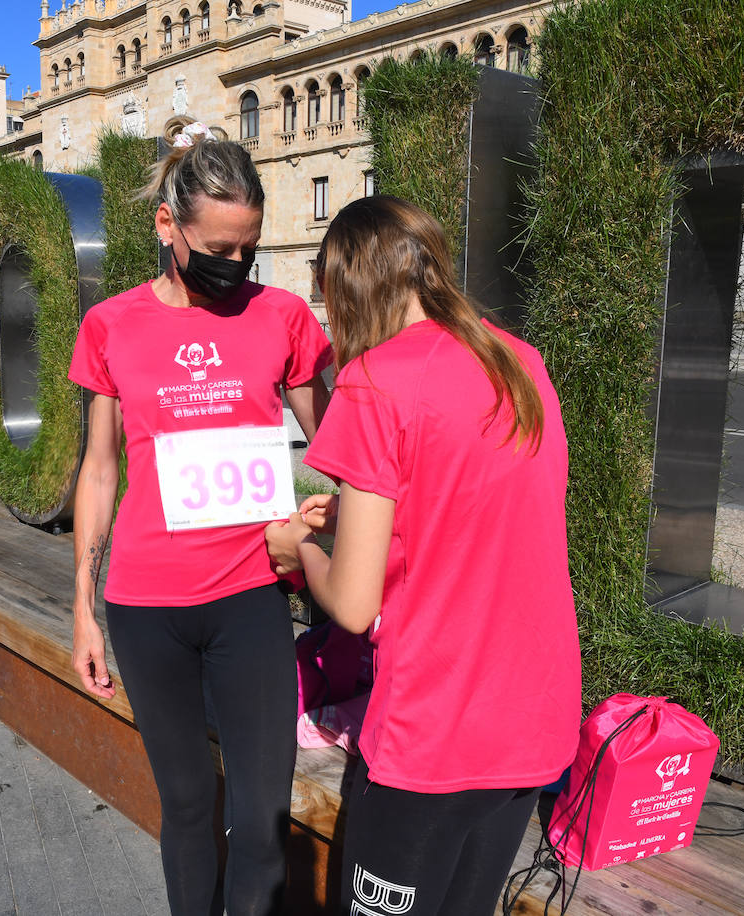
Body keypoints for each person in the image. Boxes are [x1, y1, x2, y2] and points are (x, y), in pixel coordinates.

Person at [264, 196, 581, 916]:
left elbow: (351, 606)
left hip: (438, 730)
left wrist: (300, 549)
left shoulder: (374, 382)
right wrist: (372, 520)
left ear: (348, 287)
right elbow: (486, 513)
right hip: (535, 719)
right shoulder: (520, 361)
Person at [68, 122, 332, 916]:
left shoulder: (283, 316)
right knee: (186, 807)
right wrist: (83, 603)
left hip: (252, 594)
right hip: (146, 606)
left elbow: (341, 443)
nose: (234, 266)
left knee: (260, 816)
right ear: (167, 228)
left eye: (247, 249)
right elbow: (101, 467)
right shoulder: (111, 324)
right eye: (217, 249)